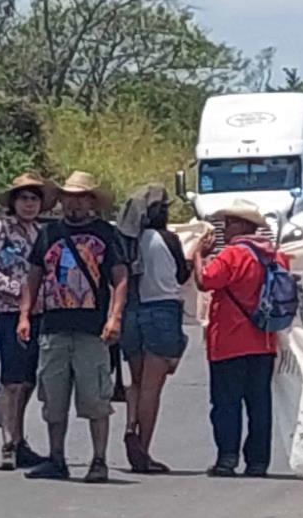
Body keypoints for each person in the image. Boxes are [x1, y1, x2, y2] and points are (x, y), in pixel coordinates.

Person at [19, 171, 128, 484]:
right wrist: (25, 314)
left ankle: (99, 460)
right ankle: (56, 458)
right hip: (54, 326)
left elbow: (119, 277)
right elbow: (34, 276)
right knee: (53, 397)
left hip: (92, 329)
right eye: (69, 198)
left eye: (81, 198)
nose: (74, 204)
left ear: (91, 202)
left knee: (95, 398)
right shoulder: (48, 233)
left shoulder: (105, 234)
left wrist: (114, 317)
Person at [191, 199, 287, 478]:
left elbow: (205, 281)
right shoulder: (274, 256)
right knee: (259, 405)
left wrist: (198, 254)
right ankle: (258, 462)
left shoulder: (232, 255)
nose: (225, 227)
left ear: (243, 226)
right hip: (264, 340)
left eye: (230, 222)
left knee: (226, 404)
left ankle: (227, 459)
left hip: (229, 342)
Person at [0, 173, 56, 471]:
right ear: (14, 202)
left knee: (29, 379)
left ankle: (20, 439)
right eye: (23, 198)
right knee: (12, 380)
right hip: (10, 312)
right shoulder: (0, 230)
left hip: (40, 312)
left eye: (34, 199)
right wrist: (16, 289)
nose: (29, 204)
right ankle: (8, 443)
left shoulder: (41, 233)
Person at [116, 184, 192, 473]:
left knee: (136, 382)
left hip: (132, 311)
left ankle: (129, 426)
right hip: (162, 310)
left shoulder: (127, 242)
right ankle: (143, 449)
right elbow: (182, 275)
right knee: (152, 388)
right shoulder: (168, 239)